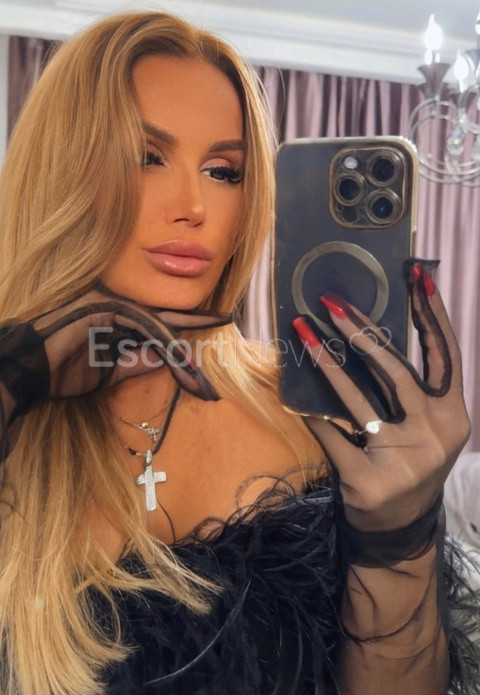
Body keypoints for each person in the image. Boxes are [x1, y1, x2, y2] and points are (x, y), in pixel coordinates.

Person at [0, 10, 478, 695]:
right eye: (146, 156)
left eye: (224, 171)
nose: (193, 205)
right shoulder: (14, 420)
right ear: (60, 173)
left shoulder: (313, 411)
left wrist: (398, 550)